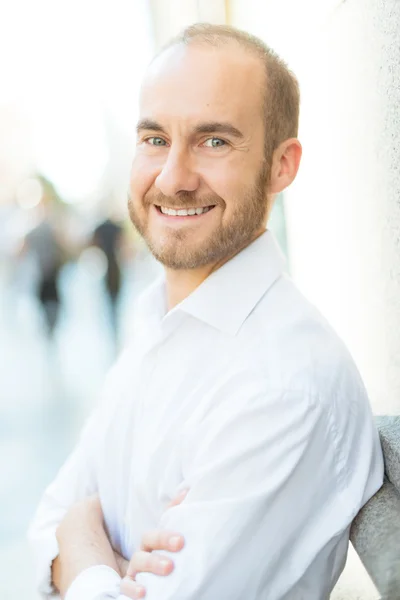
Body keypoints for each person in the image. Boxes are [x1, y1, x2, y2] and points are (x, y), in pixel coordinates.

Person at [28, 23, 384, 600]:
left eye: (214, 141)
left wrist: (84, 552)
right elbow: (52, 516)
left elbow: (67, 530)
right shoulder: (158, 318)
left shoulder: (282, 386)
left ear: (281, 165)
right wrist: (101, 565)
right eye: (155, 139)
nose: (173, 177)